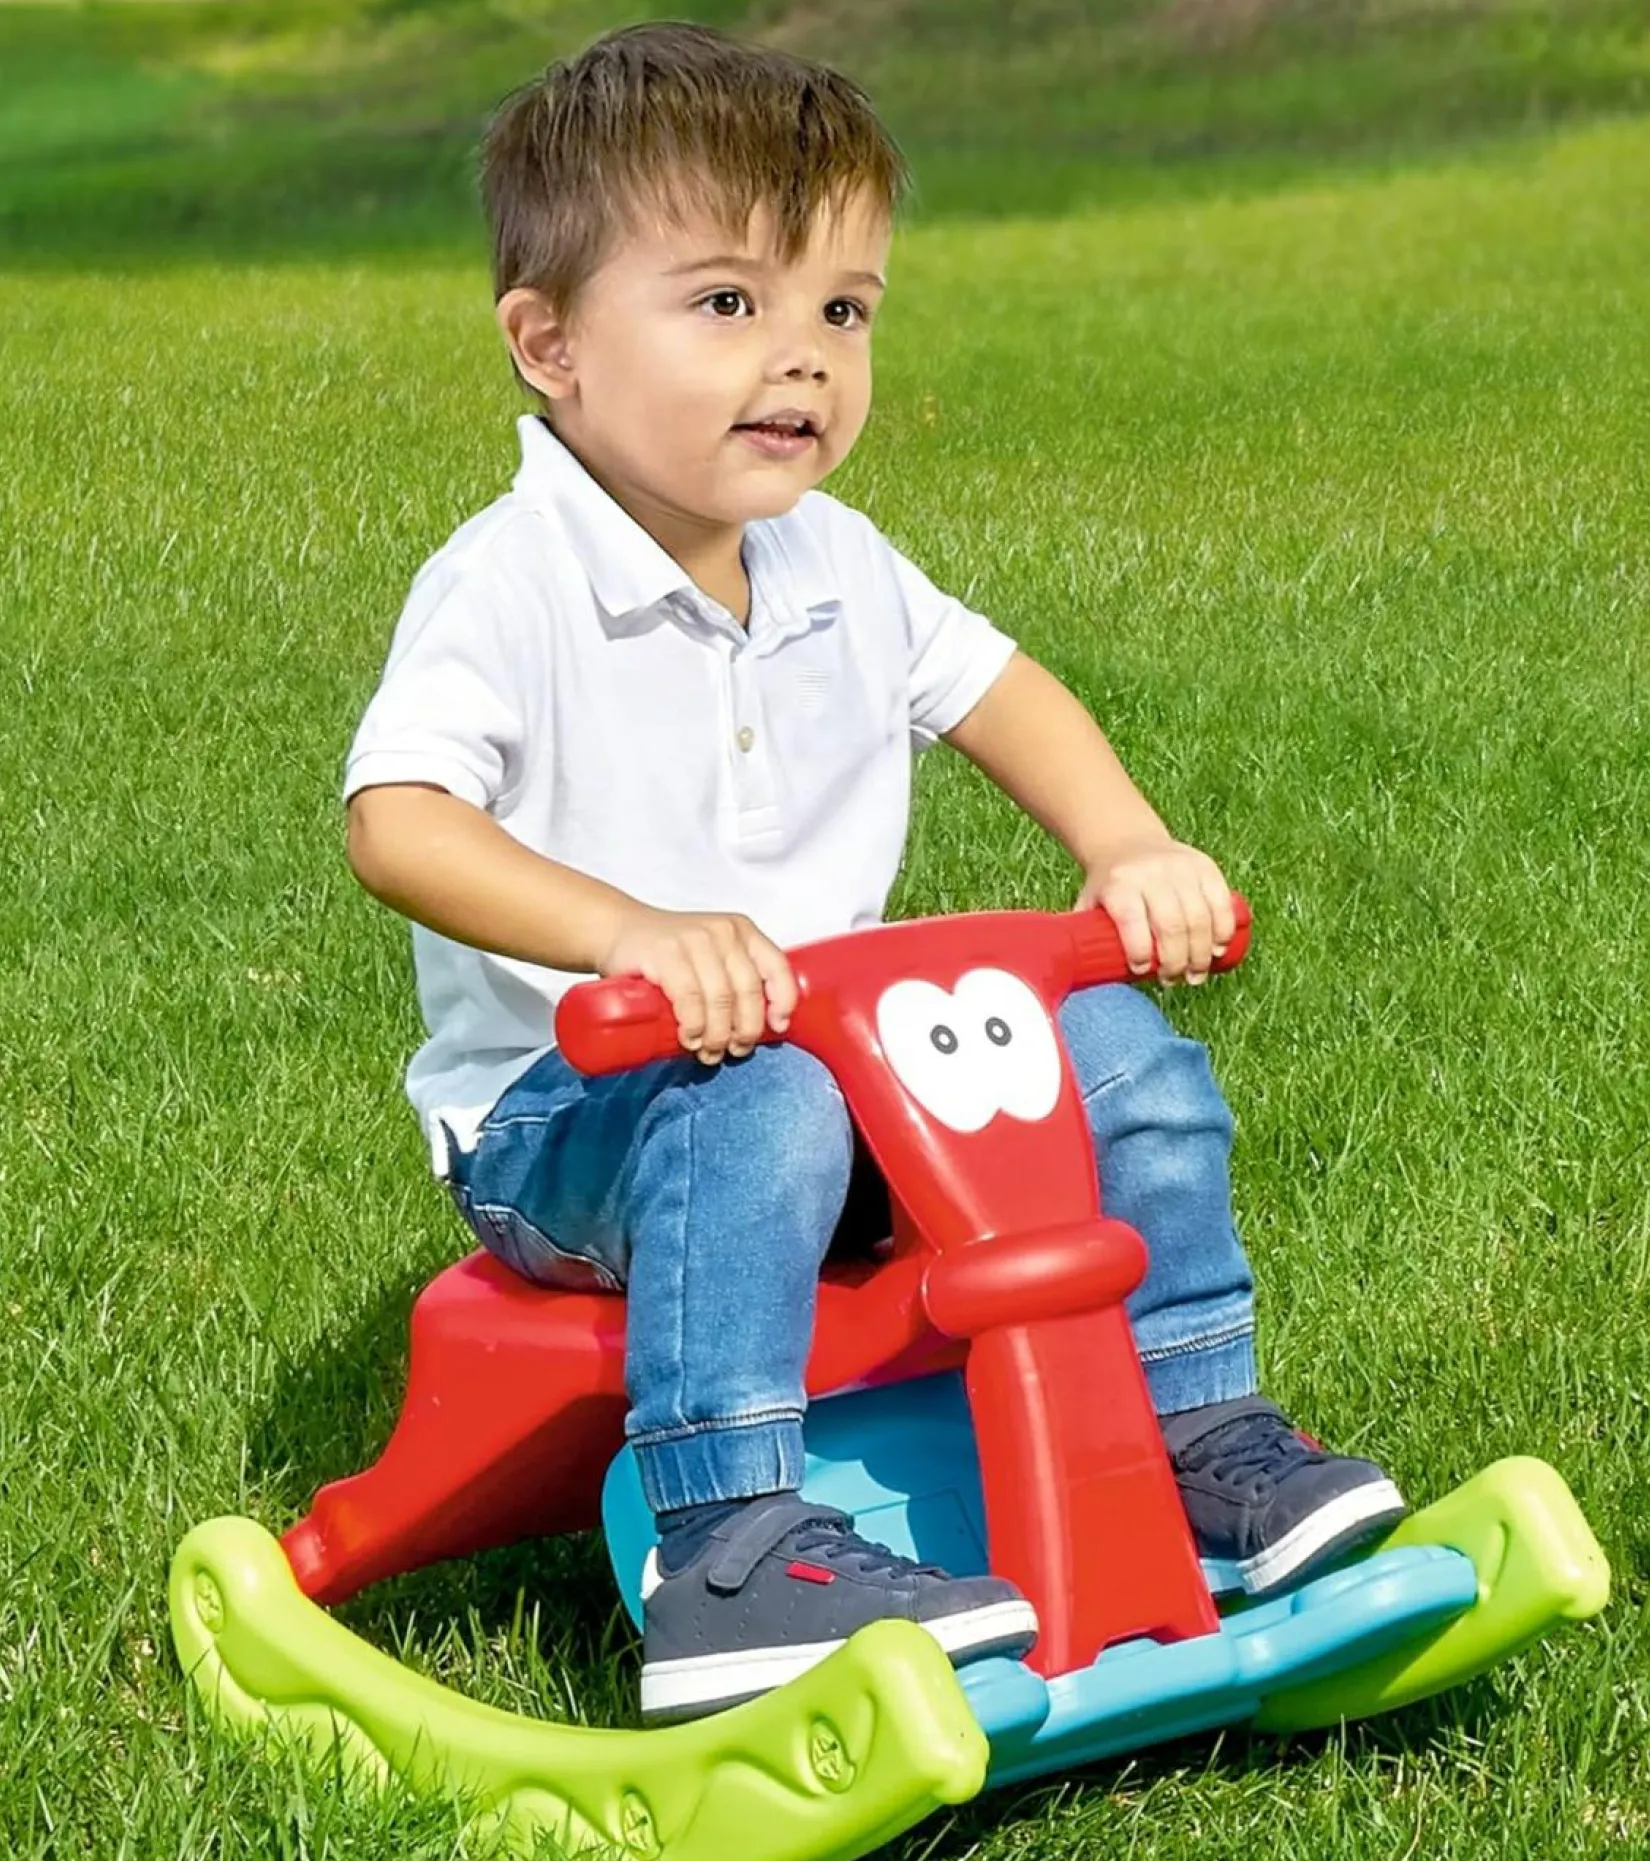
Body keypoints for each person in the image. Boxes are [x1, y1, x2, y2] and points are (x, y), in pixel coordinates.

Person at [343, 21, 1405, 1724]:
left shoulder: (833, 558)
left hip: (849, 1078)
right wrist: (631, 937)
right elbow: (397, 819)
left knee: (1114, 1054)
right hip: (574, 1118)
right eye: (727, 304)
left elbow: (1001, 691)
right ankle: (731, 1548)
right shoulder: (510, 583)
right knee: (753, 1101)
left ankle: (1192, 1422)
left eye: (843, 310)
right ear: (550, 344)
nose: (803, 359)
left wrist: (1127, 844)